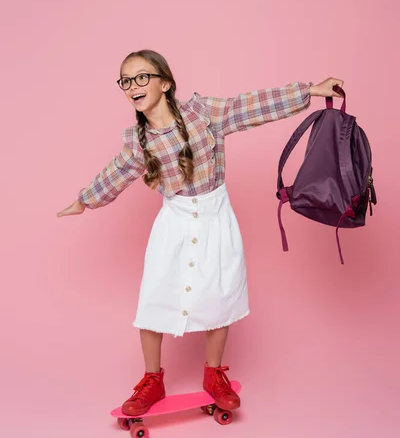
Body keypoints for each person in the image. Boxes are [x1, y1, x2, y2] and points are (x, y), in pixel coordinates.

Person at [57, 49, 343, 416]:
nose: (132, 86)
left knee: (219, 294)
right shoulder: (137, 141)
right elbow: (115, 174)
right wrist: (84, 201)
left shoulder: (203, 114)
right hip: (174, 222)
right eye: (126, 81)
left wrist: (310, 91)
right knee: (155, 298)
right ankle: (151, 380)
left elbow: (250, 106)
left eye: (142, 77)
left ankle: (214, 375)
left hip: (215, 216)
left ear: (165, 83)